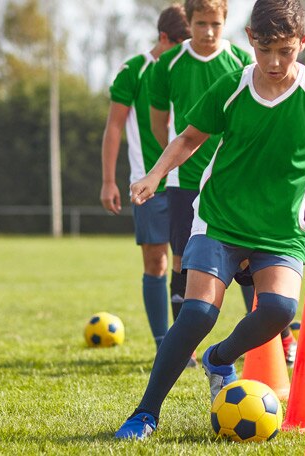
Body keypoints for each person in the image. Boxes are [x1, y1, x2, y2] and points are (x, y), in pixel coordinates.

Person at [114, 0, 305, 439]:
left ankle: (219, 358)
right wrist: (154, 174)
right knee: (195, 313)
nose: (273, 62)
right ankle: (144, 414)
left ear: (302, 43)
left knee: (279, 309)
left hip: (279, 231)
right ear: (250, 38)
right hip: (219, 220)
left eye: (285, 51)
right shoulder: (232, 88)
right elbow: (190, 136)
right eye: (265, 48)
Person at [148, 0, 254, 367]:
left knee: (247, 254)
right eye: (200, 23)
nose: (208, 32)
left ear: (225, 22)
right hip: (185, 178)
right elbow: (159, 121)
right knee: (182, 258)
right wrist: (169, 160)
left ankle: (270, 340)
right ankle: (185, 347)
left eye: (216, 24)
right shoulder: (168, 64)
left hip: (231, 178)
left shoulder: (242, 62)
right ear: (188, 22)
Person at [100, 5, 190, 350]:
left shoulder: (191, 67)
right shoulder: (134, 70)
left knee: (188, 262)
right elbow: (113, 126)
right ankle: (162, 342)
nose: (186, 49)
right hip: (148, 183)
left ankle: (186, 343)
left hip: (190, 180)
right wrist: (109, 180)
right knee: (156, 260)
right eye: (180, 42)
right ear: (164, 38)